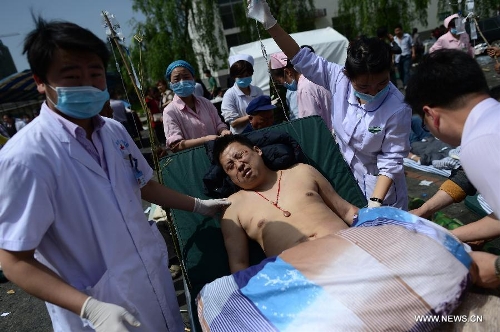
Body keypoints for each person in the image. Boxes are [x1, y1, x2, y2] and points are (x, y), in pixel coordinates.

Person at [0, 17, 231, 332]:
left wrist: (200, 205)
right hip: (98, 309)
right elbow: (13, 259)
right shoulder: (25, 157)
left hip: (150, 282)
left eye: (95, 74)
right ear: (41, 81)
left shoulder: (113, 132)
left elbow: (145, 186)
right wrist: (90, 308)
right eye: (71, 76)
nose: (87, 84)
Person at [247, 1, 411, 210]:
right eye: (363, 86)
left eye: (382, 83)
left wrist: (376, 201)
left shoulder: (397, 108)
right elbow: (301, 58)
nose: (373, 91)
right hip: (348, 178)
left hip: (380, 189)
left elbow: (391, 161)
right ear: (348, 75)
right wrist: (271, 24)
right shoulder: (338, 79)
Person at [405, 49, 500, 289]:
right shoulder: (492, 118)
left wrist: (496, 268)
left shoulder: (478, 143)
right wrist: (432, 218)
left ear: (430, 115)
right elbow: (466, 179)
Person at [212, 134, 358, 272]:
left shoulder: (301, 171)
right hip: (302, 278)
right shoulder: (232, 207)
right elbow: (239, 263)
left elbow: (346, 211)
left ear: (257, 151)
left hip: (350, 252)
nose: (239, 165)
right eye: (230, 166)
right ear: (229, 177)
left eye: (240, 155)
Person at [163, 60, 231, 152]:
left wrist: (223, 131)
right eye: (176, 79)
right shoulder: (170, 111)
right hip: (194, 160)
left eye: (186, 77)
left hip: (219, 153)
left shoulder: (205, 102)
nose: (182, 82)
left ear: (193, 79)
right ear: (170, 84)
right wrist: (205, 140)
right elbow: (175, 145)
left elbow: (218, 124)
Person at [269, 51, 332, 129]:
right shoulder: (313, 78)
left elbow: (311, 125)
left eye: (279, 82)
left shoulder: (304, 88)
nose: (283, 85)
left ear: (288, 72)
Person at [221, 54, 264, 134]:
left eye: (247, 75)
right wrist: (252, 116)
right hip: (241, 136)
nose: (244, 78)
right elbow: (233, 122)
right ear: (234, 77)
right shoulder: (229, 95)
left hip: (260, 131)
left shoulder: (258, 91)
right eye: (240, 76)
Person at [393, 23, 415, 89]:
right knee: (400, 72)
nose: (398, 32)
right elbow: (392, 50)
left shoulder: (407, 36)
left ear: (401, 30)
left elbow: (412, 45)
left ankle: (406, 84)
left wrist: (413, 53)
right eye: (396, 31)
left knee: (406, 70)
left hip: (406, 56)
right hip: (398, 58)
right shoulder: (394, 39)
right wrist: (392, 59)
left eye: (399, 30)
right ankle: (404, 82)